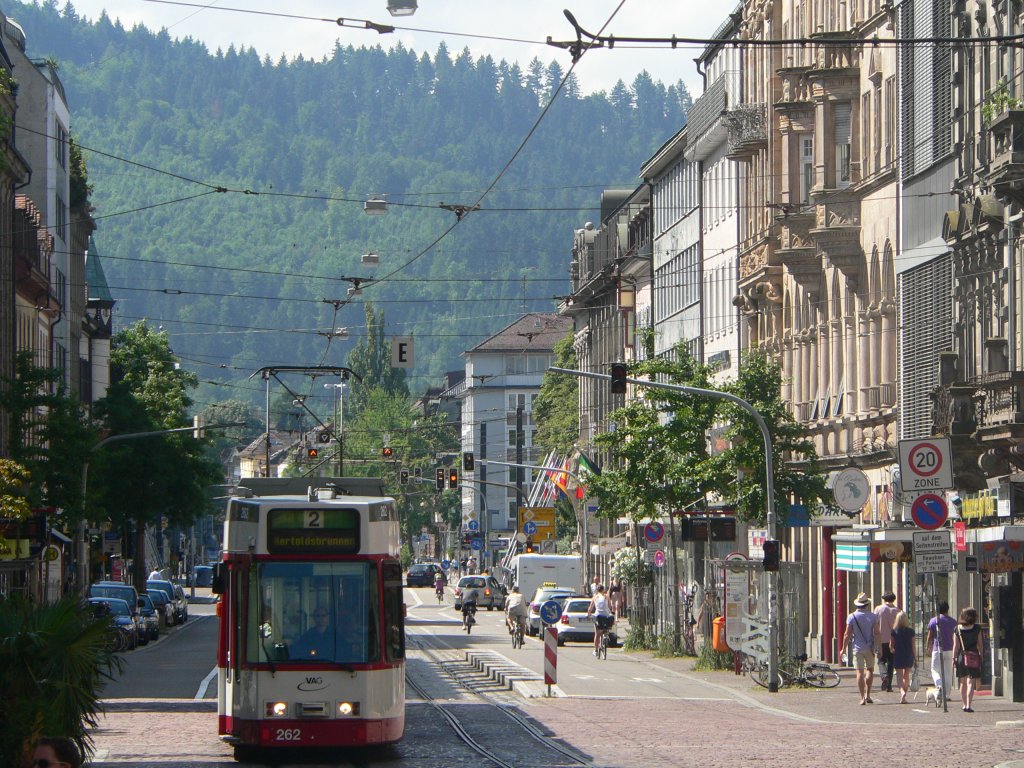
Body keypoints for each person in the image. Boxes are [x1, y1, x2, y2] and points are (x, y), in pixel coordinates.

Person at [841, 592, 881, 705]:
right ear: (867, 604)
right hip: (870, 647)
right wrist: (878, 646)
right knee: (870, 670)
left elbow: (847, 634)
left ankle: (862, 697)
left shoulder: (851, 616)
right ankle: (868, 695)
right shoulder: (873, 616)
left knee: (859, 672)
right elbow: (877, 633)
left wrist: (843, 648)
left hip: (857, 648)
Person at [952, 606, 984, 712]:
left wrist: (954, 658)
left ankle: (964, 704)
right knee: (971, 682)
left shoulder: (957, 629)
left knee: (962, 682)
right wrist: (981, 655)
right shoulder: (977, 628)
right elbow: (980, 644)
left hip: (962, 656)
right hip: (973, 656)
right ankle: (969, 705)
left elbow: (956, 646)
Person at [925, 600, 957, 700]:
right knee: (948, 672)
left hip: (937, 648)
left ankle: (939, 686)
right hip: (950, 649)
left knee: (934, 669)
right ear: (947, 609)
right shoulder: (953, 621)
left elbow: (930, 636)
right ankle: (947, 694)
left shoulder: (933, 620)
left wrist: (928, 647)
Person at [873, 590, 900, 692]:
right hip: (893, 641)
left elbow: (874, 623)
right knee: (891, 662)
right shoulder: (897, 610)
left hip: (881, 639)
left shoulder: (878, 609)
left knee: (880, 660)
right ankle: (889, 686)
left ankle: (884, 675)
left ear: (884, 599)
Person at [889, 610, 916, 704]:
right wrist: (915, 658)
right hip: (908, 655)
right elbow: (913, 646)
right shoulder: (911, 631)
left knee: (899, 676)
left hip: (898, 654)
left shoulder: (894, 631)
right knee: (906, 676)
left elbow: (891, 645)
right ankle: (904, 697)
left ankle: (902, 692)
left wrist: (892, 649)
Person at [587, 584, 614, 656]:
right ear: (603, 590)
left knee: (597, 633)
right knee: (607, 625)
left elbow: (590, 608)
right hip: (605, 615)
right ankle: (606, 635)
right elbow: (610, 606)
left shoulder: (595, 597)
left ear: (597, 590)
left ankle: (595, 650)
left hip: (598, 615)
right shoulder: (606, 596)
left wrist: (588, 614)